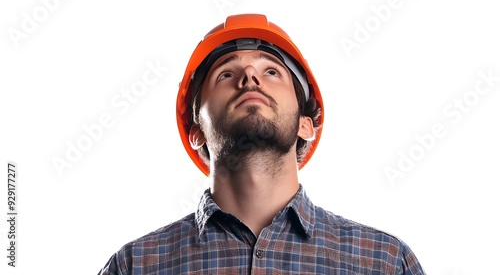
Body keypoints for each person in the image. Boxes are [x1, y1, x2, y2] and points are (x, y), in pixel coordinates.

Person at [98, 14, 425, 274]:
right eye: (226, 74)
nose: (250, 77)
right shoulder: (134, 266)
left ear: (305, 125)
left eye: (271, 71)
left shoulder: (384, 263)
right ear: (196, 131)